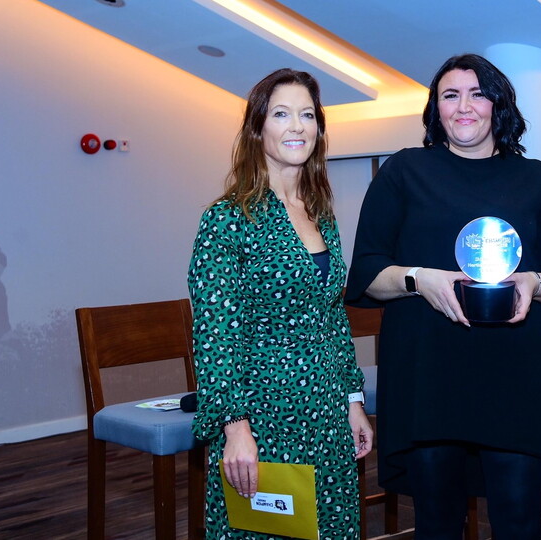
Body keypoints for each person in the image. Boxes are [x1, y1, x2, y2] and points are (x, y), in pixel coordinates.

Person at [345, 53, 541, 540]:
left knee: (519, 524)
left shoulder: (537, 179)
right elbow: (366, 273)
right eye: (450, 95)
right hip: (427, 377)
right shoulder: (403, 171)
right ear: (436, 108)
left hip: (512, 379)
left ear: (499, 104)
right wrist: (419, 279)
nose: (464, 106)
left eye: (478, 93)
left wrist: (534, 282)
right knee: (437, 525)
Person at [188, 68, 373, 539]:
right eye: (281, 114)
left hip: (326, 413)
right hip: (263, 415)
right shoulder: (228, 219)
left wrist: (353, 401)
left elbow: (333, 317)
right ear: (258, 128)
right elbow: (215, 335)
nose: (297, 126)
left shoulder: (320, 212)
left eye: (307, 115)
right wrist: (235, 428)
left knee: (331, 528)